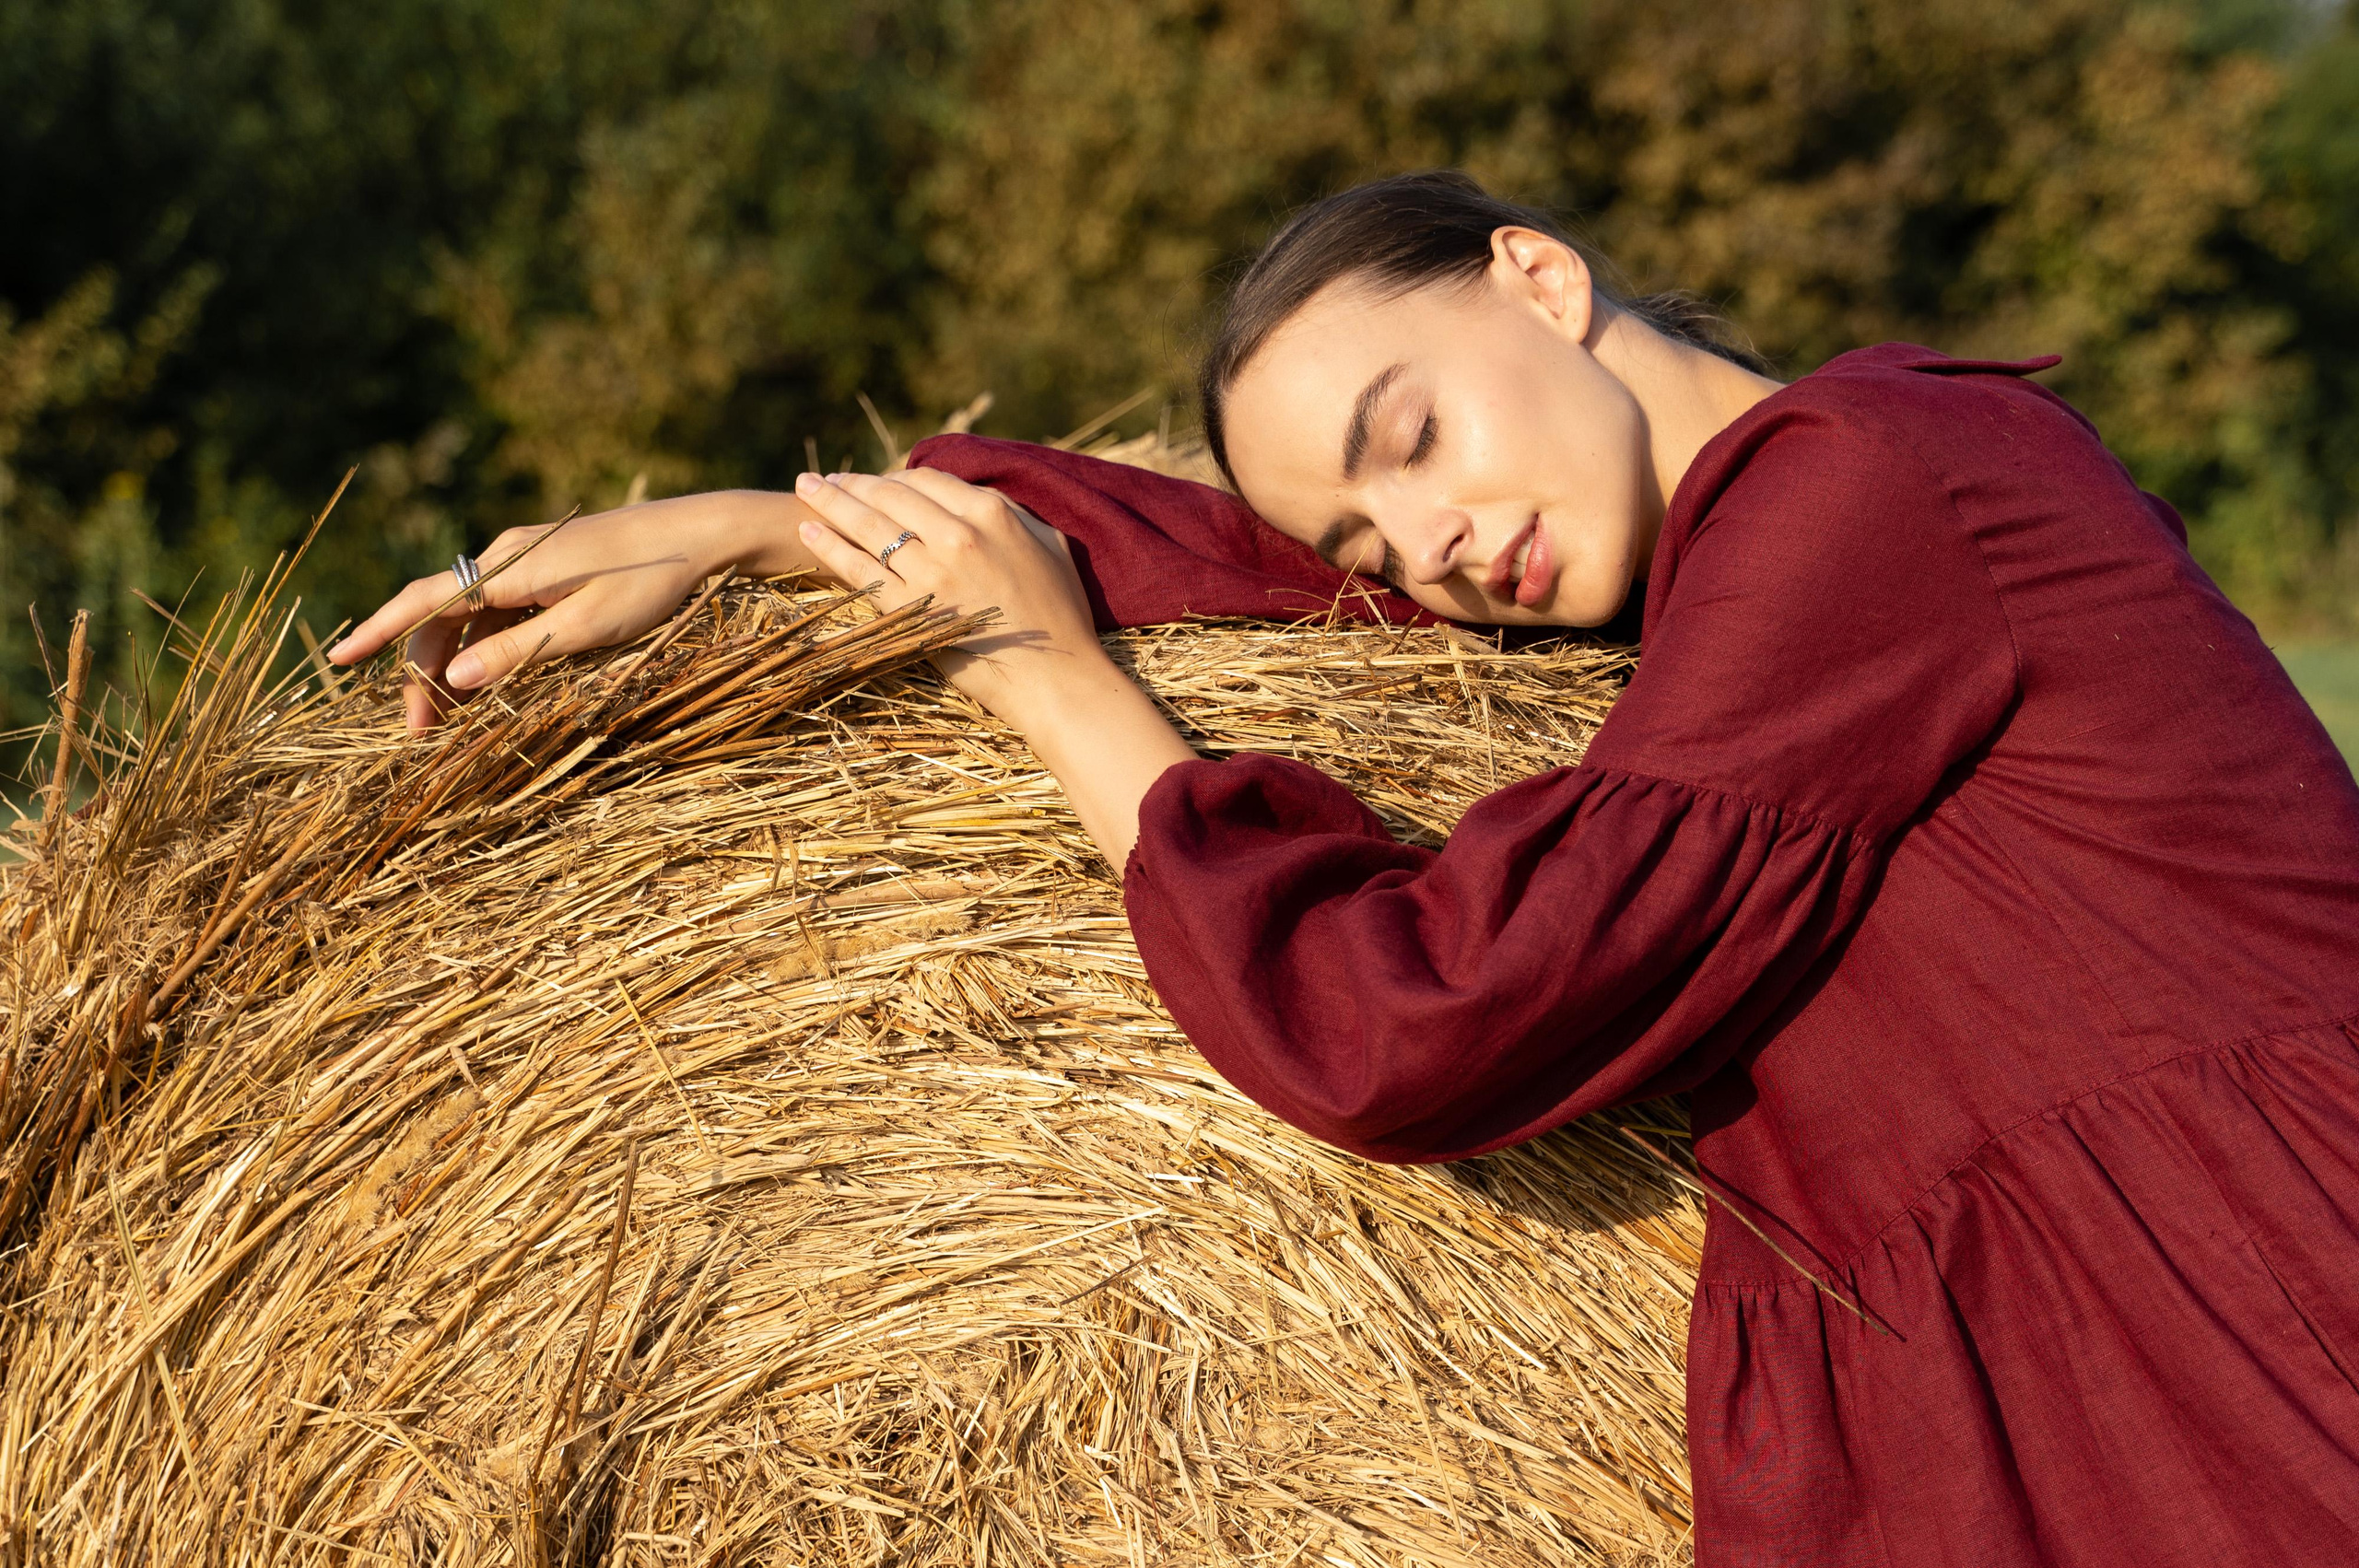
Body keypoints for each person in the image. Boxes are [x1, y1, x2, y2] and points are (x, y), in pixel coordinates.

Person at [331, 171, 2359, 1566]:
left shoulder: (1869, 481)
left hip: (2244, 1341)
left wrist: (1049, 686)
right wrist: (766, 531)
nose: (1432, 542)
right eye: (1377, 537)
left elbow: (1432, 1008)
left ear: (1537, 278)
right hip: (2070, 1390)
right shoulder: (1694, 619)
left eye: (1412, 427)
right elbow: (1266, 593)